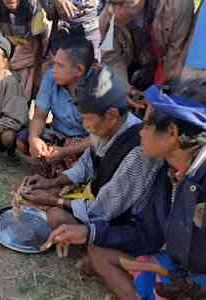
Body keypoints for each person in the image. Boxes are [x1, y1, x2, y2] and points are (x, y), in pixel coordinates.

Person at [20, 66, 163, 256]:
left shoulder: (138, 151)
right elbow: (86, 165)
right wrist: (51, 182)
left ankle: (96, 252)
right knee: (51, 196)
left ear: (111, 115)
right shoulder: (107, 129)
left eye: (87, 119)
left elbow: (103, 210)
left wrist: (54, 200)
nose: (85, 126)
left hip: (126, 225)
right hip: (102, 206)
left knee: (55, 216)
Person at [84, 80, 206, 300]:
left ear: (171, 132)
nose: (141, 131)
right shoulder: (167, 171)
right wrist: (90, 232)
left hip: (196, 283)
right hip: (175, 268)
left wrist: (192, 289)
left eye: (148, 124)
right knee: (97, 252)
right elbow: (148, 233)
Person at [16, 36, 94, 178]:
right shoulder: (51, 77)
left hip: (86, 143)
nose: (54, 69)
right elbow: (39, 115)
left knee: (89, 162)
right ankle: (60, 167)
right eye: (55, 63)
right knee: (23, 140)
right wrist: (34, 139)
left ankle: (63, 169)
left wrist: (65, 151)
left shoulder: (98, 87)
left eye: (60, 65)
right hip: (58, 135)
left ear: (79, 70)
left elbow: (99, 137)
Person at [99, 0, 194, 90]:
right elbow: (111, 57)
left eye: (122, 3)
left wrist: (158, 93)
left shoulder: (178, 5)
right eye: (112, 4)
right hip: (136, 65)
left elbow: (174, 57)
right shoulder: (107, 17)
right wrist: (124, 89)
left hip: (163, 67)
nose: (116, 12)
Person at [0, 0, 51, 99]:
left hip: (37, 50)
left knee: (37, 88)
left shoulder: (33, 5)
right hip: (11, 48)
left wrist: (37, 71)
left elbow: (39, 42)